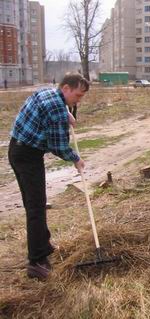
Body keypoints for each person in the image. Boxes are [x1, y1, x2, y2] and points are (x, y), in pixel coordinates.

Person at [8, 73, 89, 280]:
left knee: (35, 204)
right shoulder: (56, 108)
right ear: (66, 88)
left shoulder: (47, 92)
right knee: (36, 207)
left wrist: (67, 112)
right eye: (77, 96)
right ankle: (36, 262)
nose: (78, 101)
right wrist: (76, 159)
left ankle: (42, 244)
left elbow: (54, 107)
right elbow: (58, 146)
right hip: (27, 155)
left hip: (17, 149)